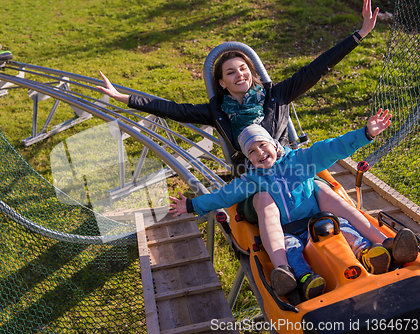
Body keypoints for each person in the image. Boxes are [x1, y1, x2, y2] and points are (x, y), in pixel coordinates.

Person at [96, 0, 381, 230]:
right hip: (255, 181)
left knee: (326, 192)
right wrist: (125, 98)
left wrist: (360, 34)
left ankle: (367, 238)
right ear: (222, 82)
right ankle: (284, 264)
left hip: (290, 171)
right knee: (266, 205)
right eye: (230, 72)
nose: (239, 75)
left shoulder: (276, 96)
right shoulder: (218, 112)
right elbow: (172, 109)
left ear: (251, 72)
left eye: (243, 69)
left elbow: (317, 68)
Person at [168, 109, 419, 300]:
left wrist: (365, 134)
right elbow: (225, 196)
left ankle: (371, 252)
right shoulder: (254, 179)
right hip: (288, 230)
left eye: (262, 145)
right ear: (250, 159)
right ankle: (300, 278)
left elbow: (331, 148)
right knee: (292, 252)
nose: (259, 153)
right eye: (252, 151)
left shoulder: (301, 160)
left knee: (347, 233)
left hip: (320, 219)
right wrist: (192, 205)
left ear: (275, 145)